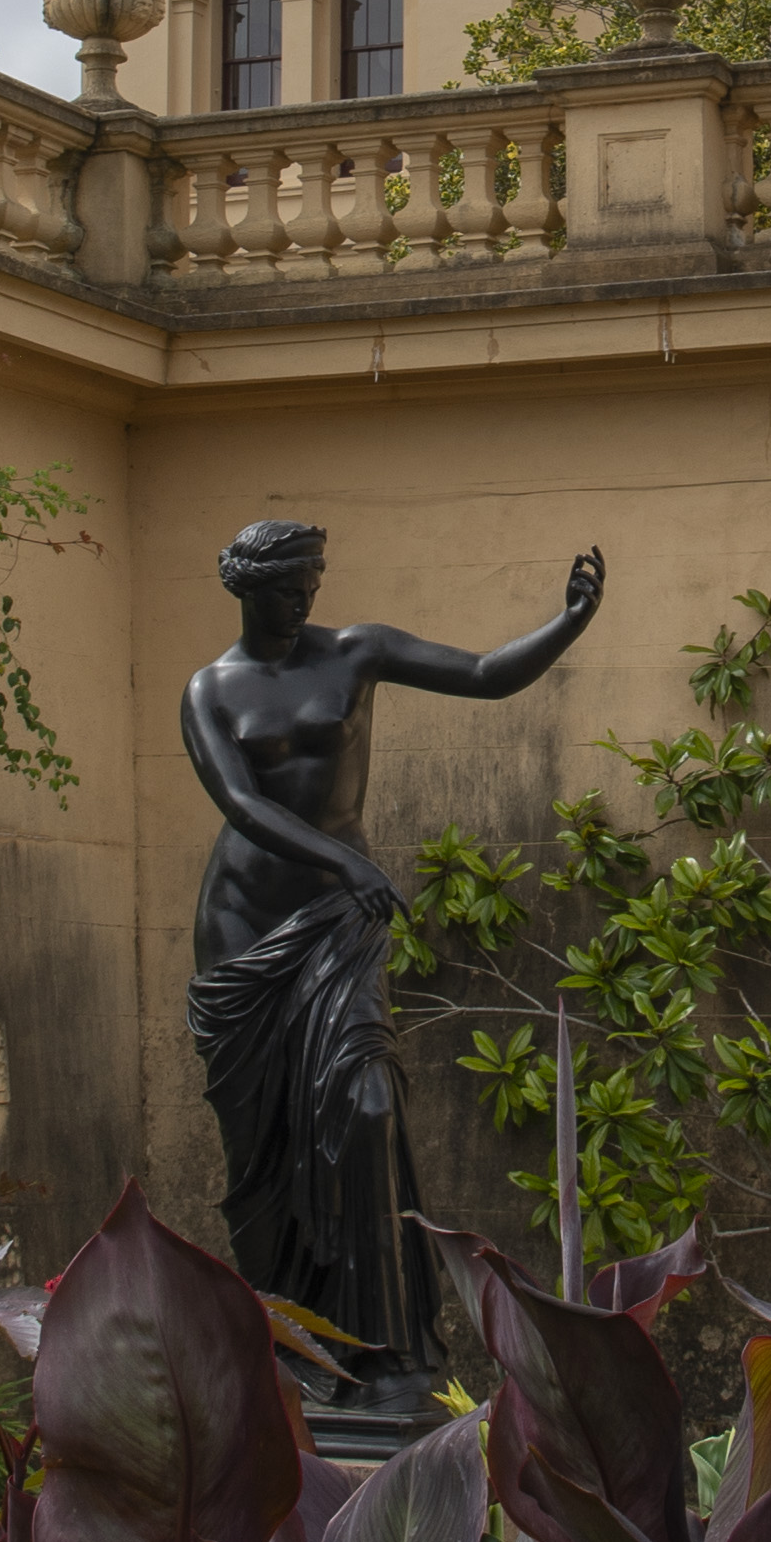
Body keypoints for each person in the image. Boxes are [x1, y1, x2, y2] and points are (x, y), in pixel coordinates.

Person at [180, 518, 602, 1391]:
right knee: (263, 1148)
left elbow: (483, 675)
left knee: (368, 1107)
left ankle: (386, 1348)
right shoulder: (209, 690)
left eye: (311, 585)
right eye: (286, 590)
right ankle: (289, 1357)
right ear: (246, 590)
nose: (303, 602)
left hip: (339, 921)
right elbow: (242, 806)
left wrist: (566, 623)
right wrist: (346, 861)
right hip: (244, 929)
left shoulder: (356, 652)